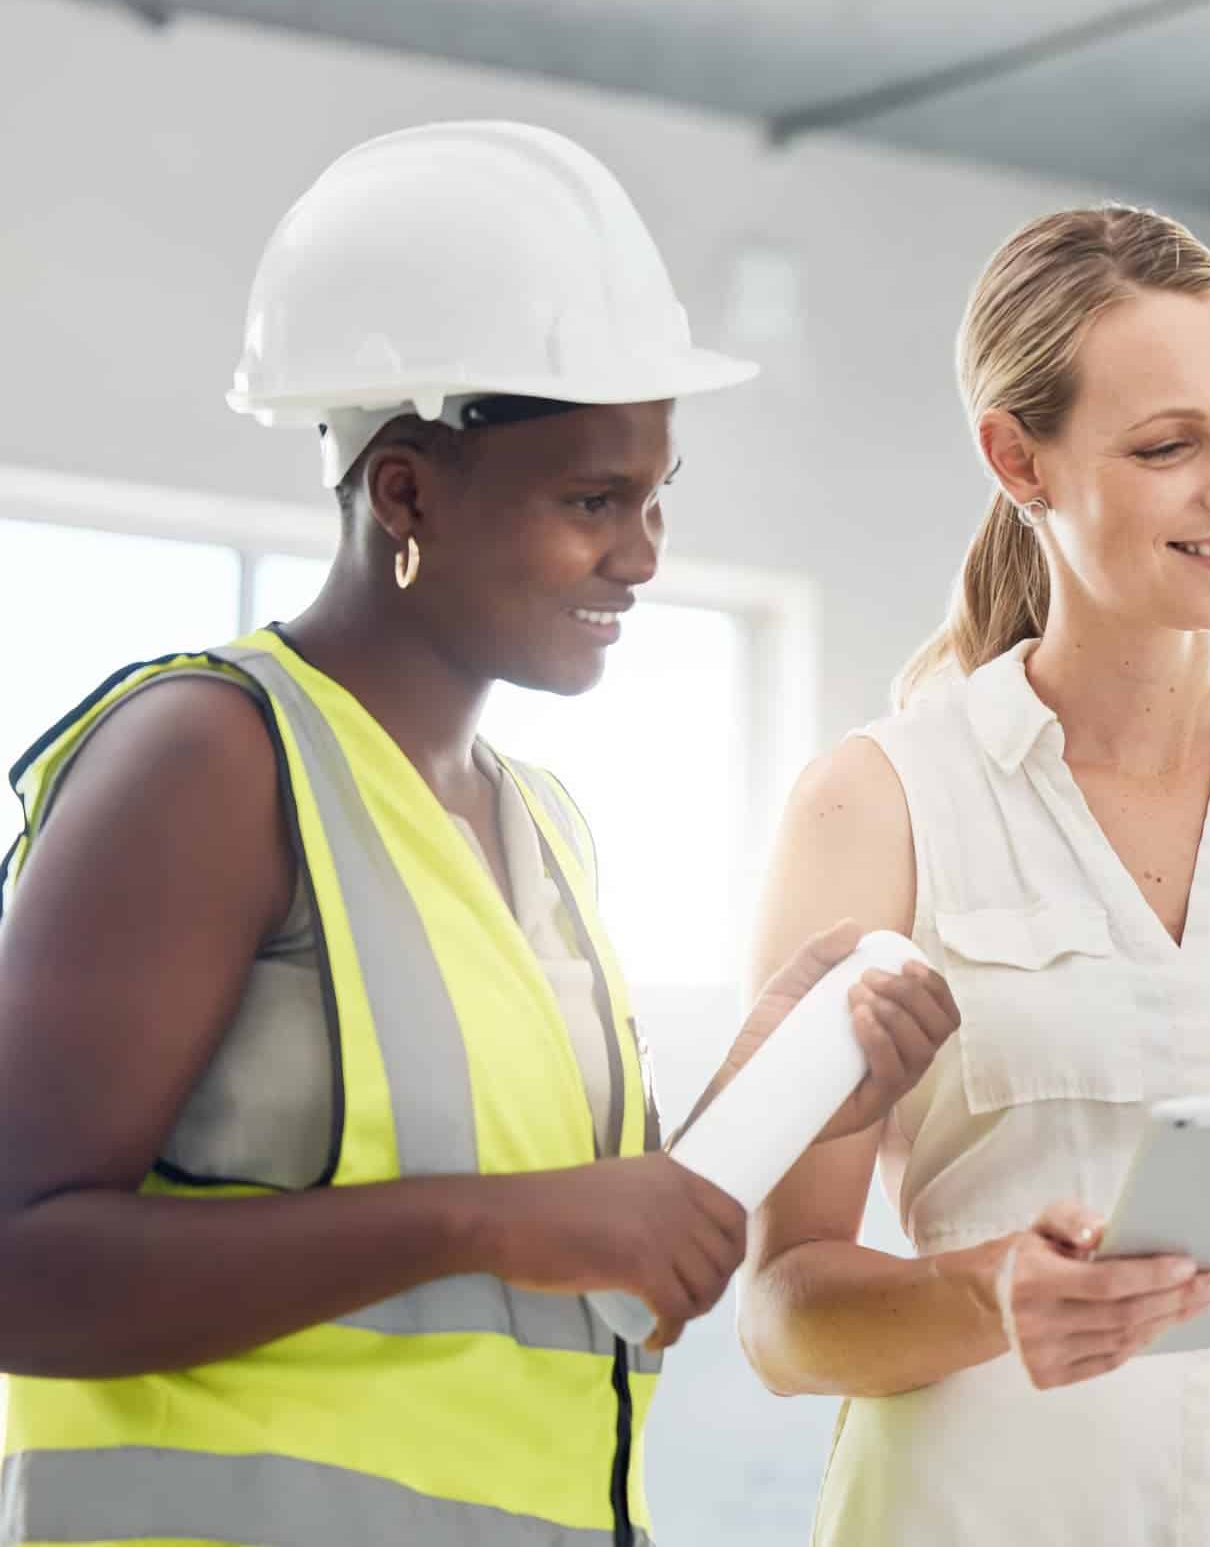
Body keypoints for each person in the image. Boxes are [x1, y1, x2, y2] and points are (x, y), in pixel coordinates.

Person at [0, 121, 958, 1547]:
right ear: (406, 492)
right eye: (592, 501)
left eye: (655, 500)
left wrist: (777, 1069)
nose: (641, 554)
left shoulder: (544, 826)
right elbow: (21, 1265)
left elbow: (589, 1285)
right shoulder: (207, 758)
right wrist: (492, 1220)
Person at [735, 205, 1210, 1544]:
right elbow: (785, 1316)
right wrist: (984, 1296)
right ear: (1017, 458)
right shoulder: (881, 804)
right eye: (1167, 444)